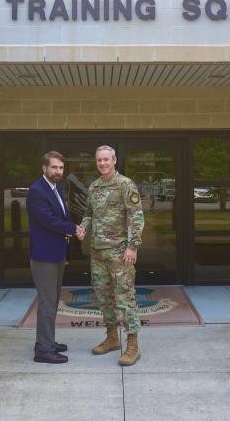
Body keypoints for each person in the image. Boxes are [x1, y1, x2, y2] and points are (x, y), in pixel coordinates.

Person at [79, 145, 145, 366]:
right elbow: (89, 213)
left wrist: (133, 246)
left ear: (114, 160)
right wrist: (83, 228)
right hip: (98, 252)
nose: (102, 163)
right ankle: (111, 338)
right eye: (99, 160)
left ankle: (133, 345)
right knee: (103, 297)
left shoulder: (125, 185)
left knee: (125, 299)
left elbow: (136, 216)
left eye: (106, 159)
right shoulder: (94, 187)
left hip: (120, 253)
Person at [27, 151, 84, 364]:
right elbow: (49, 221)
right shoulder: (36, 191)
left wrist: (67, 252)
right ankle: (43, 351)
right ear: (44, 168)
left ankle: (47, 342)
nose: (58, 171)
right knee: (47, 303)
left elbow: (61, 216)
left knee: (53, 301)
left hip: (57, 255)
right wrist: (74, 229)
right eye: (54, 167)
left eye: (61, 168)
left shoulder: (57, 188)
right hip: (44, 257)